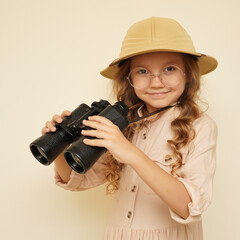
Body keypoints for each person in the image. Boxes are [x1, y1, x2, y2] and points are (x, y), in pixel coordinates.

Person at [42, 17, 218, 240]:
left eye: (169, 69)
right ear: (129, 79)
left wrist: (130, 152)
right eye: (143, 72)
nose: (156, 82)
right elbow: (80, 180)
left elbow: (190, 206)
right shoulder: (121, 123)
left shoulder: (200, 126)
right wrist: (58, 143)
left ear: (188, 74)